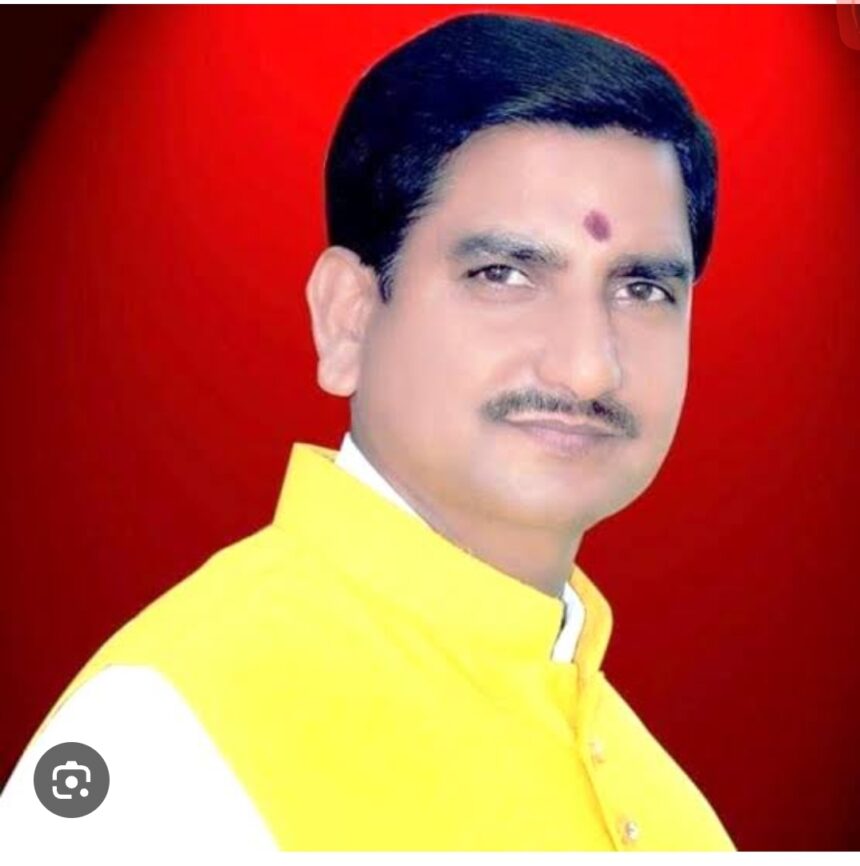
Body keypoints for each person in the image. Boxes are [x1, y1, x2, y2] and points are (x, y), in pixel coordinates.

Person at [0, 12, 733, 851]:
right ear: (348, 317)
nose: (589, 367)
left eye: (642, 290)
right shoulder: (170, 739)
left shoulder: (665, 804)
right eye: (503, 274)